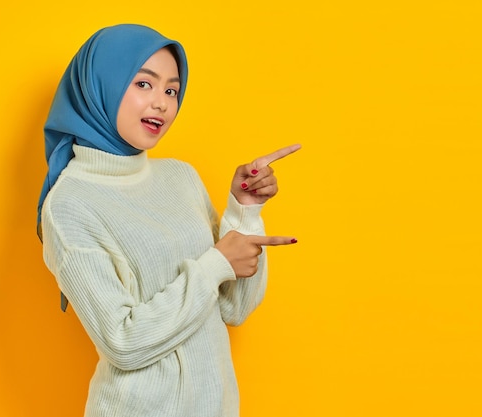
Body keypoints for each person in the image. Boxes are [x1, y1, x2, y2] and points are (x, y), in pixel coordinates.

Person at [37, 24, 300, 417]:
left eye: (171, 90)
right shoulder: (71, 204)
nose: (162, 103)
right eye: (144, 84)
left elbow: (234, 308)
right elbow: (122, 341)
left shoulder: (181, 176)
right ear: (100, 86)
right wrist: (214, 266)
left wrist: (244, 212)